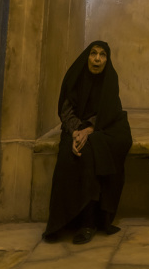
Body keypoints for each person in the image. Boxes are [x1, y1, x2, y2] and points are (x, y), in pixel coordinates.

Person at [43, 41, 132, 244]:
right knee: (68, 156)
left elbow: (109, 111)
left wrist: (89, 129)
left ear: (107, 60)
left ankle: (89, 223)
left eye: (102, 55)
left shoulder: (110, 79)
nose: (97, 59)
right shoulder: (75, 76)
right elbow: (66, 110)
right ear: (87, 56)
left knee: (91, 154)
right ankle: (61, 222)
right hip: (73, 129)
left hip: (100, 128)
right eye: (93, 54)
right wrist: (76, 131)